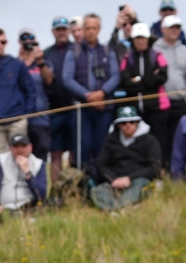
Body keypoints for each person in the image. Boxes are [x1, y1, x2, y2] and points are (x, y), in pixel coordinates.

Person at [63, 13, 122, 180]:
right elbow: (67, 78)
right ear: (82, 29)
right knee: (83, 147)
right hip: (81, 109)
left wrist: (101, 93)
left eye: (94, 28)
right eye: (87, 28)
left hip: (104, 108)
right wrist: (88, 96)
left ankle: (101, 181)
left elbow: (115, 76)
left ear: (99, 29)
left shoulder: (107, 51)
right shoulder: (73, 52)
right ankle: (82, 185)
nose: (90, 31)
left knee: (101, 146)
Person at [0, 28, 36, 159]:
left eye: (2, 42)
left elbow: (30, 91)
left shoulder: (17, 65)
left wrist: (27, 116)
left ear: (6, 43)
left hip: (16, 120)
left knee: (20, 158)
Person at [91, 106, 162, 210]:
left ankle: (120, 208)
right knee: (98, 190)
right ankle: (112, 210)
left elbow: (154, 167)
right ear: (118, 124)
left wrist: (129, 178)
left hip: (138, 179)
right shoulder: (110, 140)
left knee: (139, 187)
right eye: (124, 123)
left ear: (138, 122)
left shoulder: (150, 141)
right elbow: (101, 164)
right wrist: (113, 179)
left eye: (132, 121)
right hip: (114, 181)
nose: (128, 125)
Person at [121, 22, 172, 158]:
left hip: (157, 108)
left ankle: (160, 171)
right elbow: (126, 82)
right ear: (133, 40)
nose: (140, 41)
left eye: (143, 38)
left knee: (159, 140)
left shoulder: (157, 55)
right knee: (138, 143)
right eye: (137, 38)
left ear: (148, 39)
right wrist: (148, 80)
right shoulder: (128, 58)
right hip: (137, 109)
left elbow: (162, 77)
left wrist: (139, 80)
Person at [44, 17, 78, 184]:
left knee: (74, 151)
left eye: (64, 29)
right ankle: (57, 191)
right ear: (53, 32)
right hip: (55, 109)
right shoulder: (47, 53)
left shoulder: (77, 49)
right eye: (58, 29)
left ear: (69, 30)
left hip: (74, 107)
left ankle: (72, 189)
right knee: (55, 152)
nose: (61, 32)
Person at [0, 133, 48, 220]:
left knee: (51, 204)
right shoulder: (0, 160)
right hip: (5, 207)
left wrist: (28, 173)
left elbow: (41, 194)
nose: (19, 150)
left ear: (30, 147)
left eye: (23, 146)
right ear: (10, 148)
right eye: (16, 146)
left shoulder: (38, 163)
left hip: (28, 206)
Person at [154, 14, 186, 167]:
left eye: (177, 27)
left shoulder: (184, 50)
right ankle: (163, 171)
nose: (175, 31)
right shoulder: (154, 49)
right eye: (171, 27)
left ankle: (177, 174)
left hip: (181, 102)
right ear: (163, 29)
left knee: (178, 140)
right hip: (161, 102)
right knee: (162, 140)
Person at [17, 28, 54, 160]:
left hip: (41, 119)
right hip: (21, 120)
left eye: (31, 38)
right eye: (24, 39)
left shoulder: (44, 62)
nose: (28, 42)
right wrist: (23, 62)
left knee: (40, 157)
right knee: (21, 157)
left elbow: (49, 80)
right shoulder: (16, 65)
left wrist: (39, 61)